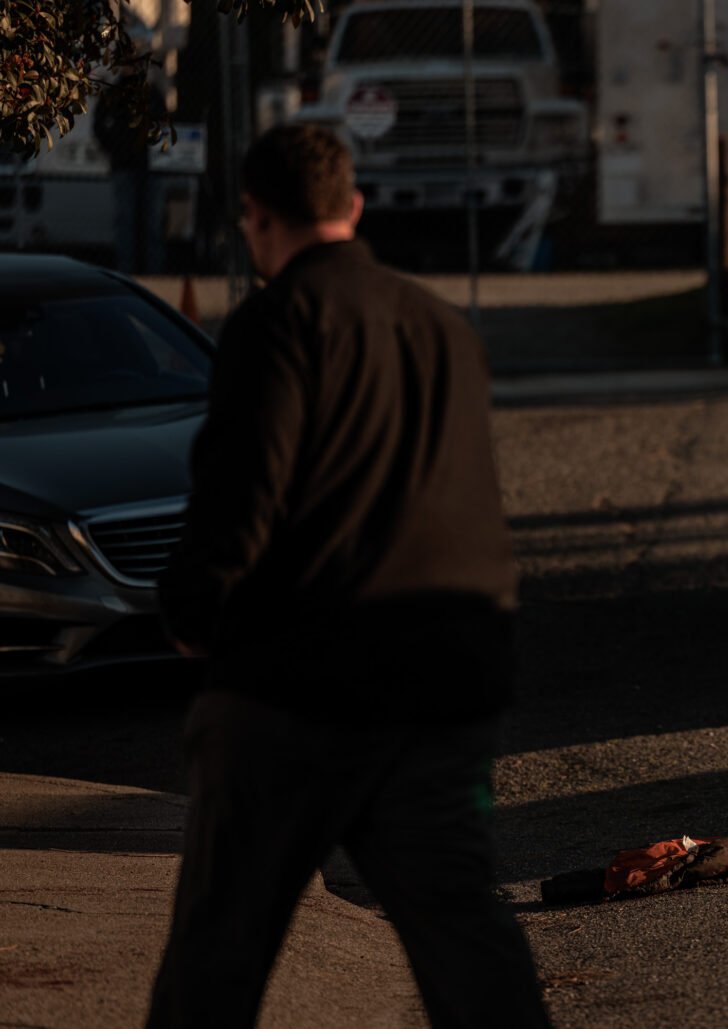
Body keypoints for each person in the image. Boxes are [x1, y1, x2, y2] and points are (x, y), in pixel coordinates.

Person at [148, 124, 548, 1028]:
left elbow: (243, 490)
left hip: (300, 689)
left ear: (255, 219)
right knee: (461, 928)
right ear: (354, 206)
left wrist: (194, 610)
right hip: (444, 679)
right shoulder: (443, 327)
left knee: (222, 939)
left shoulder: (278, 322)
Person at [93, 75, 167, 274]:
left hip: (147, 166)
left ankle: (152, 270)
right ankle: (128, 269)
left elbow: (163, 123)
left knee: (150, 222)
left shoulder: (150, 93)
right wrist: (115, 149)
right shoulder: (114, 93)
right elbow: (99, 126)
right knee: (127, 221)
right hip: (126, 166)